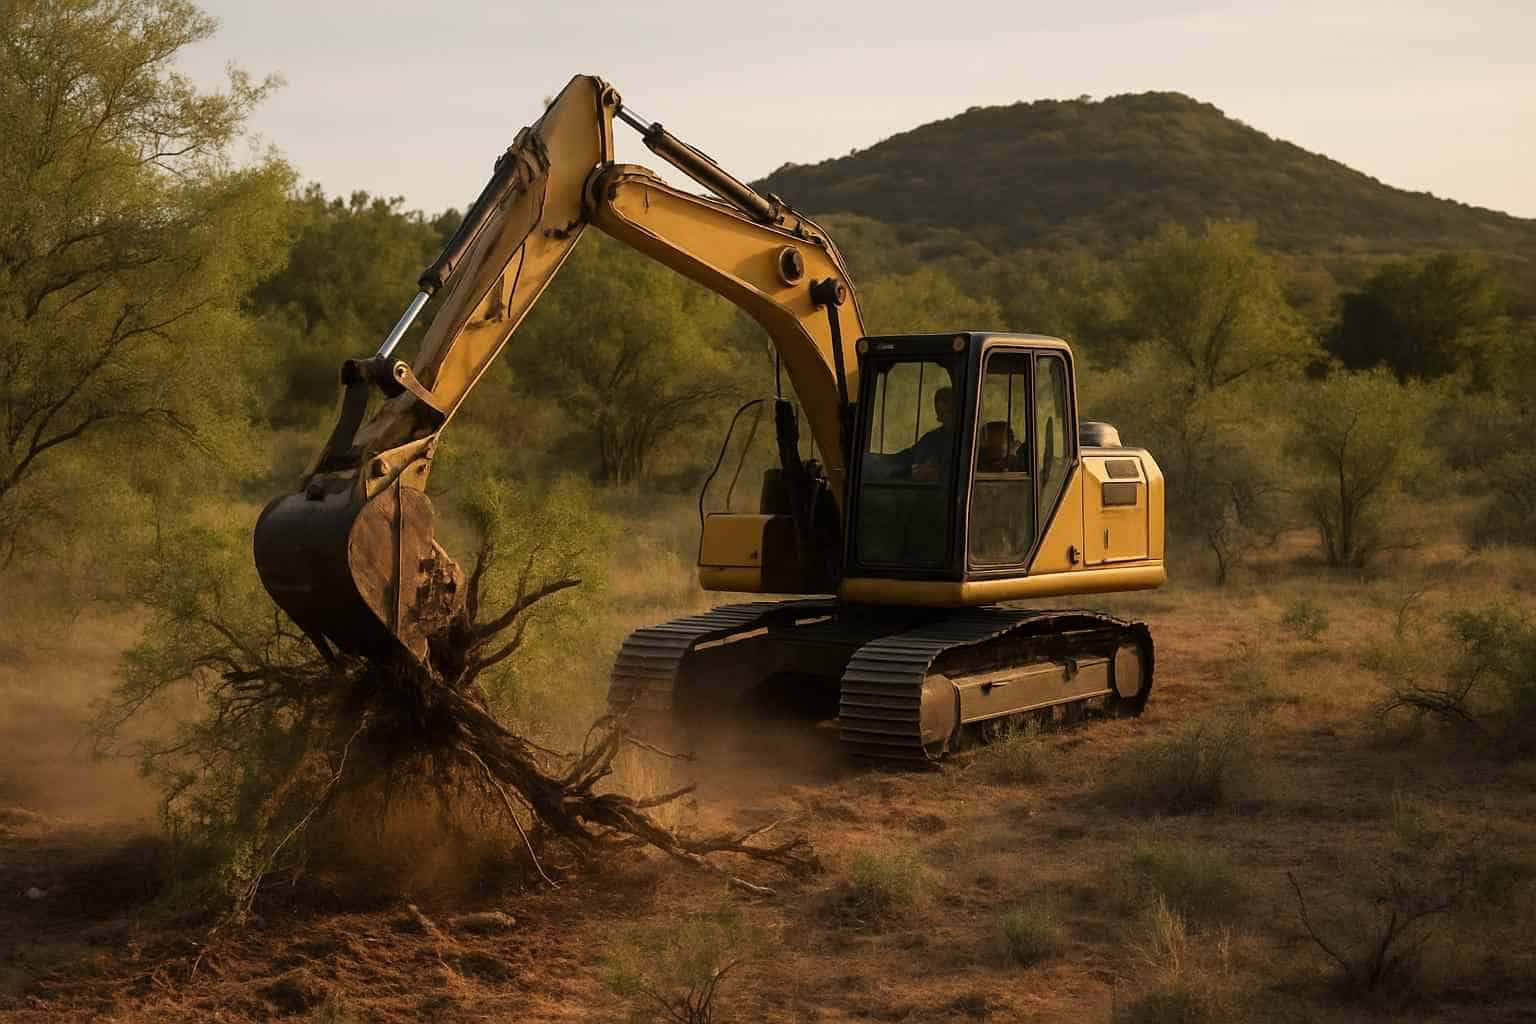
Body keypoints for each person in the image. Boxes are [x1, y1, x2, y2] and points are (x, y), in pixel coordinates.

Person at [908, 386, 955, 481]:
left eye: (948, 413)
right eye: (940, 415)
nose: (941, 419)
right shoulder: (931, 439)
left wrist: (938, 473)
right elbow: (908, 458)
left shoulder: (970, 442)